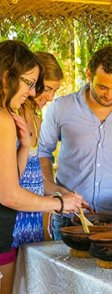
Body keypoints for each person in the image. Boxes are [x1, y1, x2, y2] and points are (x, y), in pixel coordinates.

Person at [0, 40, 83, 294]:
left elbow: (24, 175)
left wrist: (60, 193)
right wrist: (58, 204)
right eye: (36, 85)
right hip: (11, 221)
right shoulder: (6, 116)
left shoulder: (24, 117)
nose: (42, 95)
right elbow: (10, 192)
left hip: (22, 220)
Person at [39, 46, 112, 240]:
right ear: (89, 74)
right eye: (102, 87)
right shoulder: (61, 108)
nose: (109, 95)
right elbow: (43, 152)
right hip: (69, 216)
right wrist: (55, 193)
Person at [12, 52, 69, 249]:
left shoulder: (37, 120)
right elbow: (10, 185)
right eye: (47, 89)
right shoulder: (10, 117)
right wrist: (58, 204)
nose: (51, 97)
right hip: (11, 221)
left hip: (32, 223)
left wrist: (64, 194)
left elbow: (33, 178)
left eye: (55, 91)